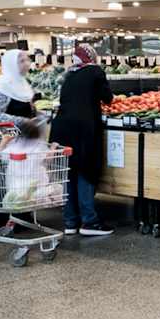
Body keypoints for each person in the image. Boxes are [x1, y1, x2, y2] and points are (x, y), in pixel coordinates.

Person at [49, 44, 114, 236]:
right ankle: (89, 222)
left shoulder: (69, 74)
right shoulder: (95, 71)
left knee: (70, 171)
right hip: (83, 128)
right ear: (92, 56)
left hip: (62, 127)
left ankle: (70, 222)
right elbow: (107, 98)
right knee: (86, 170)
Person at [0, 50, 39, 233]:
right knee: (1, 182)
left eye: (27, 59)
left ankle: (20, 220)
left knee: (20, 180)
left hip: (19, 142)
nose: (26, 63)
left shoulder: (23, 84)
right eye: (21, 61)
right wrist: (23, 121)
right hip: (1, 141)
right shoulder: (3, 85)